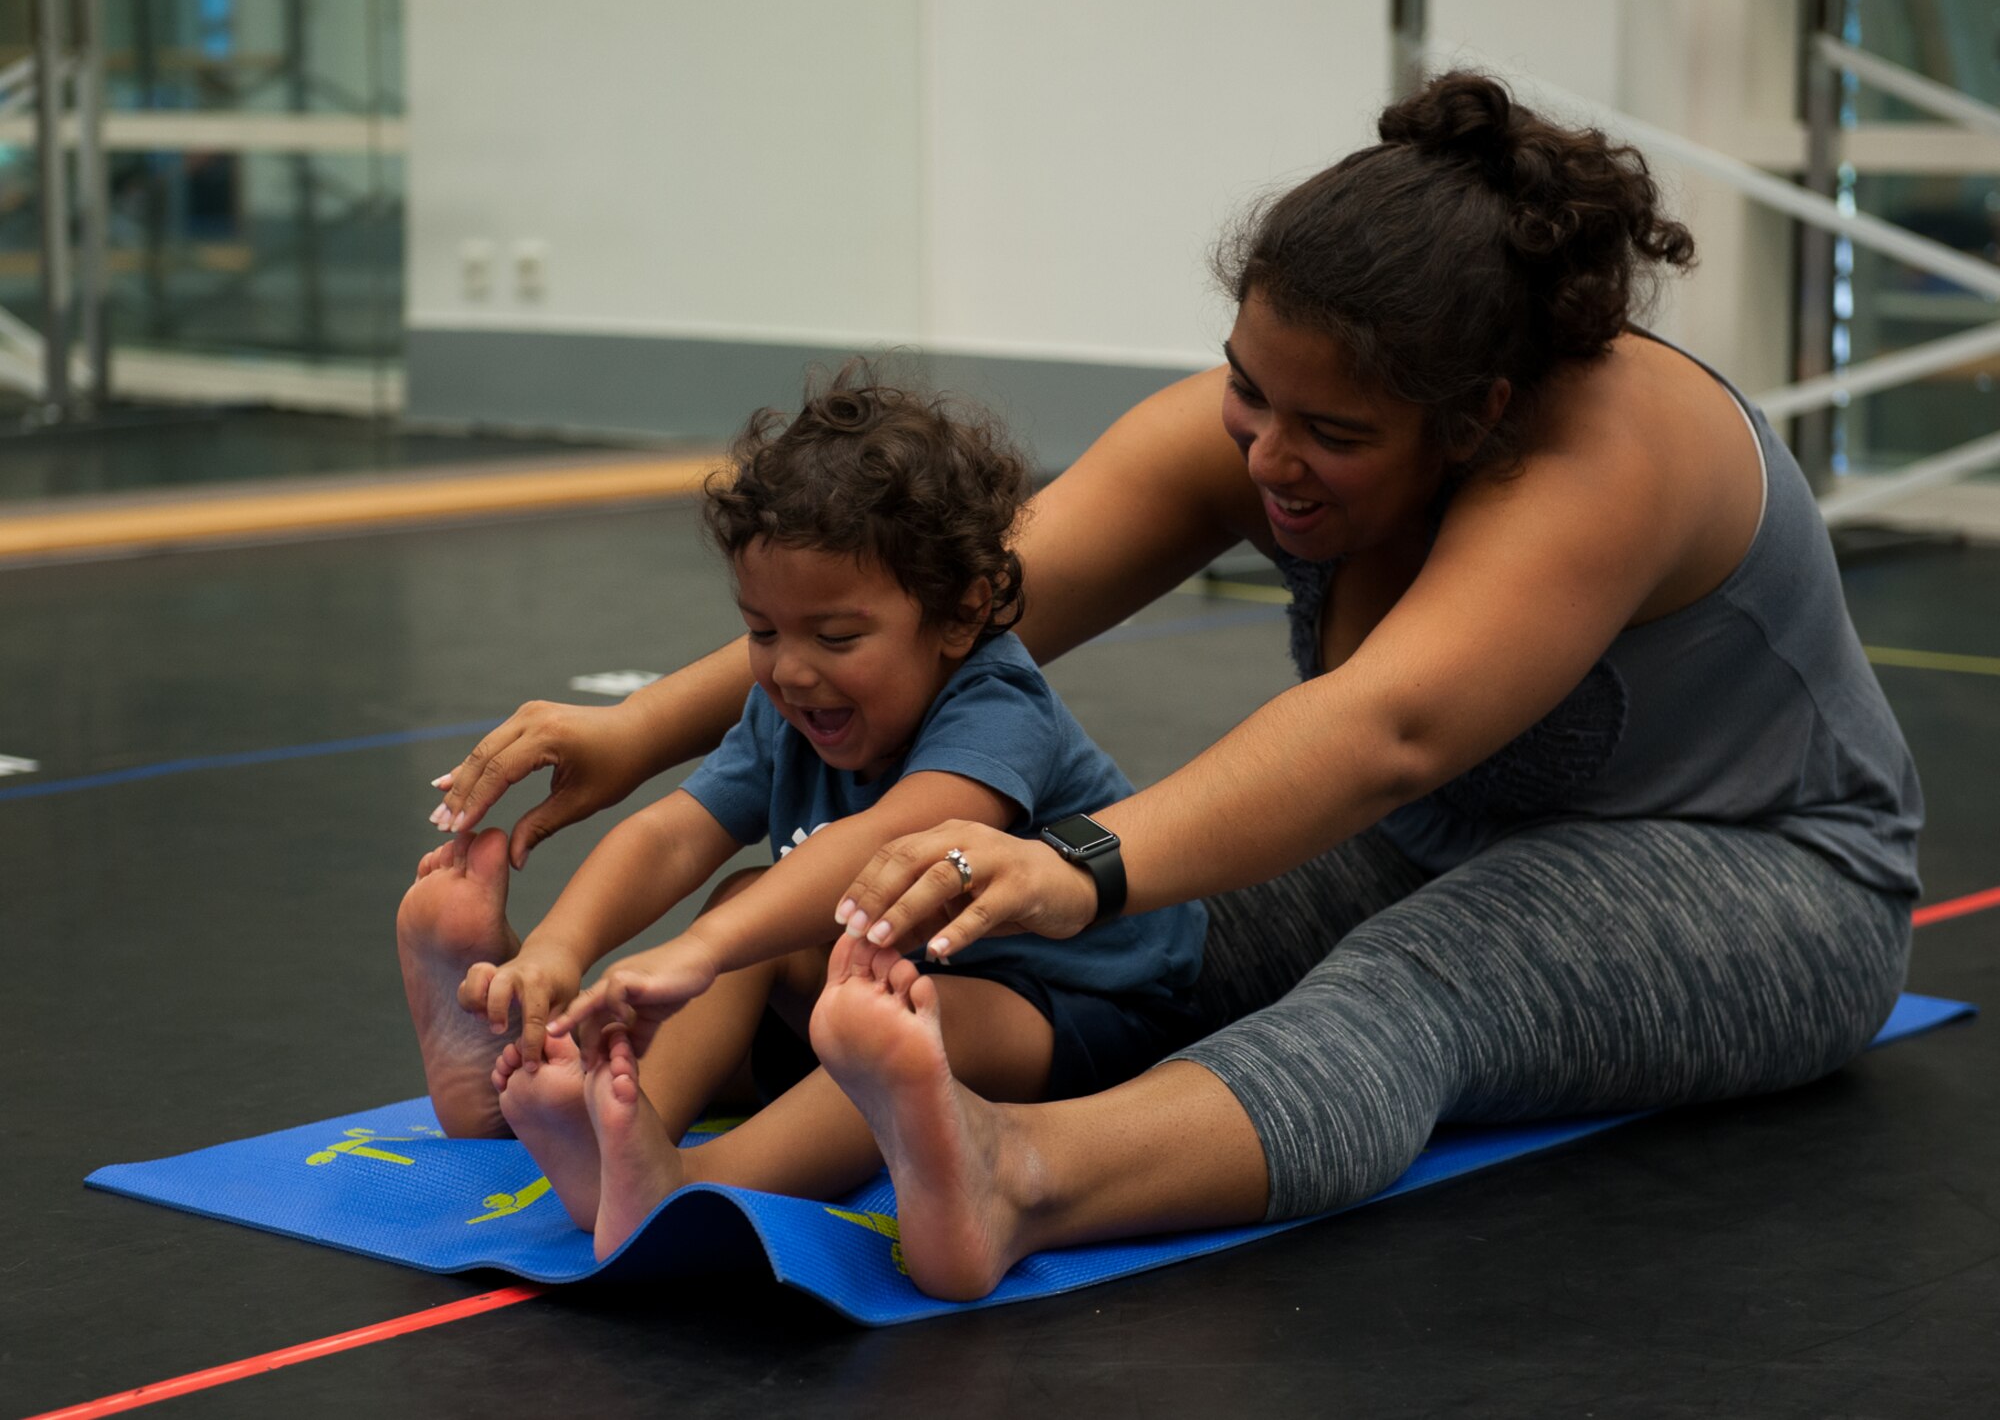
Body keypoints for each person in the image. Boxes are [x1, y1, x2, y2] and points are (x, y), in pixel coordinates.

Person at [426, 73, 1921, 1299]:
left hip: (1770, 876)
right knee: (1123, 942)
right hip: (1434, 842)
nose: (1267, 455)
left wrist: (1074, 859)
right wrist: (646, 726)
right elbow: (956, 599)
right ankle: (625, 1101)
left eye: (1327, 430)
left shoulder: (1612, 451)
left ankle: (1023, 1178)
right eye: (1246, 390)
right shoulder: (1290, 421)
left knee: (1417, 986)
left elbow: (1378, 732)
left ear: (1477, 414)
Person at [397, 365, 1204, 1258]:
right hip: (878, 982)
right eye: (764, 631)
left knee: (905, 1016)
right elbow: (674, 832)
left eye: (836, 637)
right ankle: (615, 1120)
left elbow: (889, 837)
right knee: (756, 903)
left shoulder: (998, 699)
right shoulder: (781, 706)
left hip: (1089, 1001)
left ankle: (696, 1177)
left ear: (961, 613)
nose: (792, 670)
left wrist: (700, 950)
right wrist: (562, 943)